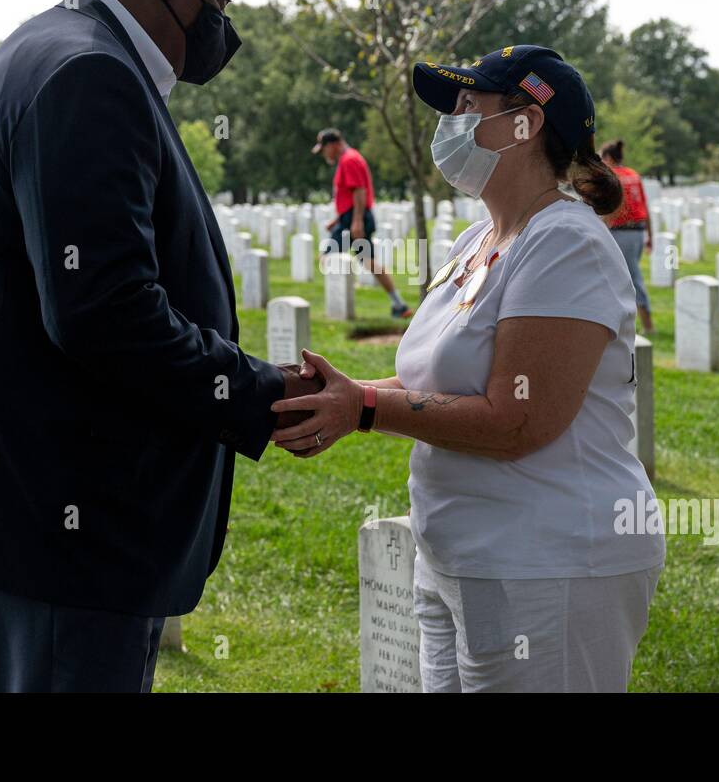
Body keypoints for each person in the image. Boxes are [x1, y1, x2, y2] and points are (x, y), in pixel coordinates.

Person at [0, 0, 325, 693]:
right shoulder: (91, 71)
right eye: (216, 0)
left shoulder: (38, 49)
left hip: (41, 504)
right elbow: (104, 309)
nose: (221, 28)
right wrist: (263, 393)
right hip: (71, 517)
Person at [272, 45, 666, 692]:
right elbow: (439, 384)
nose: (449, 119)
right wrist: (340, 396)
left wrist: (366, 410)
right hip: (458, 557)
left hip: (551, 565)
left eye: (466, 103)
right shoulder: (474, 241)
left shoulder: (564, 242)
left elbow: (518, 419)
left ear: (525, 122)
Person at [313, 129, 413, 318]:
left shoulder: (349, 160)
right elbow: (350, 195)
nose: (324, 154)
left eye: (324, 149)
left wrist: (356, 221)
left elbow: (359, 191)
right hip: (349, 217)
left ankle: (342, 305)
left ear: (333, 144)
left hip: (354, 218)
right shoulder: (348, 159)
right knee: (366, 260)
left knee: (328, 258)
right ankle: (399, 304)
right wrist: (337, 219)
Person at [600, 139, 653, 332]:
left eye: (601, 157)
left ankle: (648, 325)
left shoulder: (611, 176)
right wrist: (650, 237)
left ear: (608, 158)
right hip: (638, 232)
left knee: (631, 278)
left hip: (621, 232)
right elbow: (645, 207)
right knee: (628, 276)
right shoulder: (634, 175)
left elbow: (608, 209)